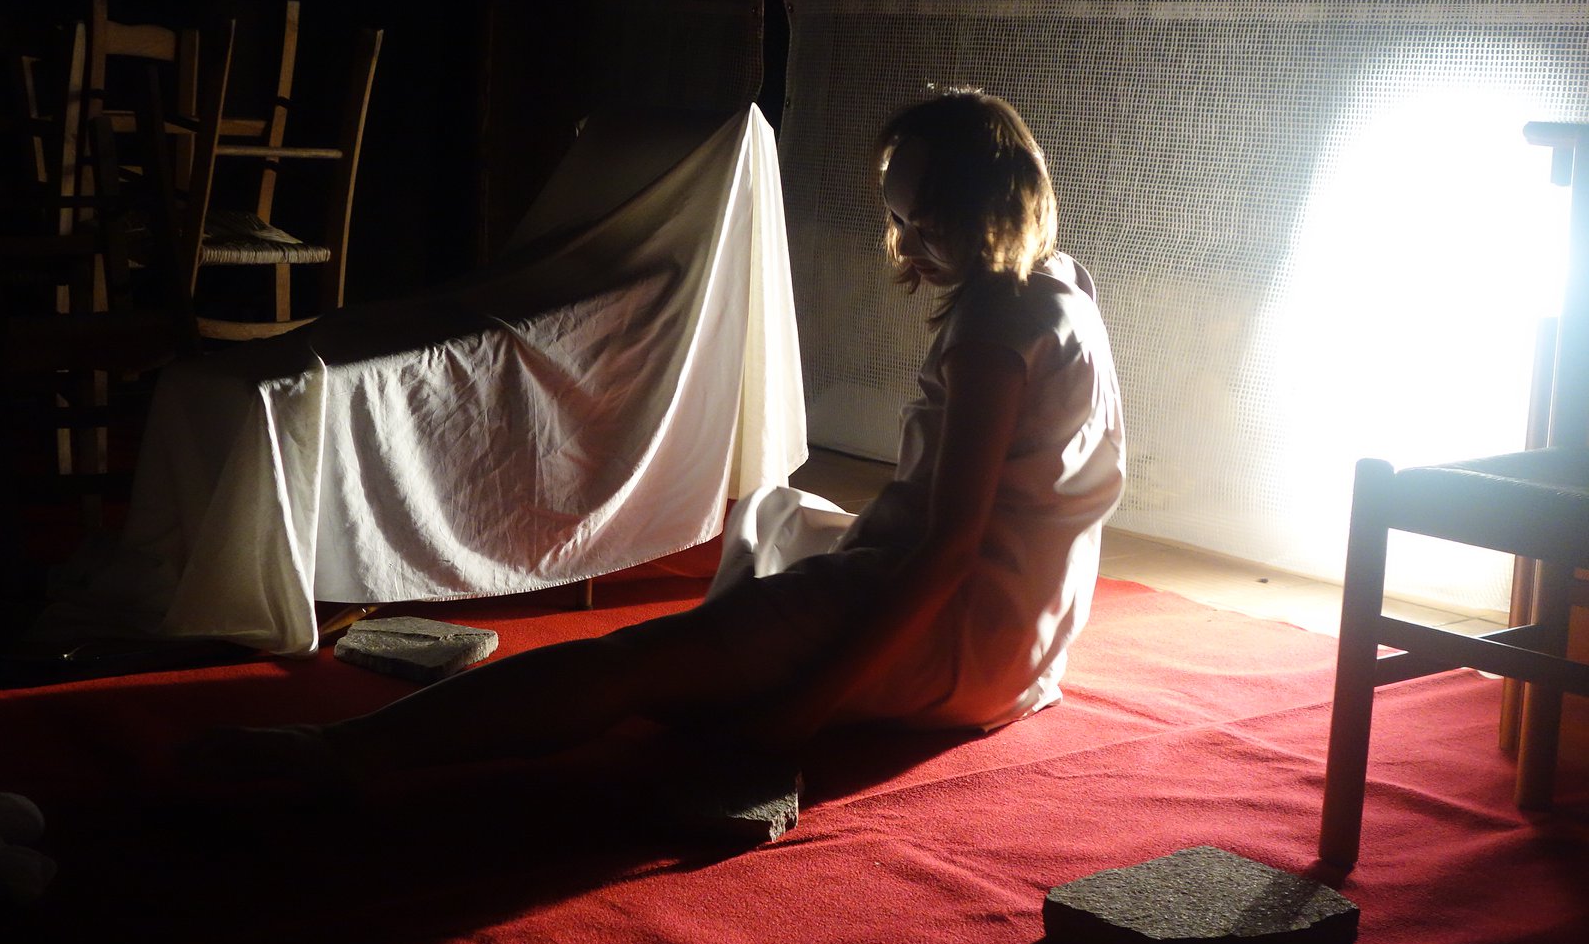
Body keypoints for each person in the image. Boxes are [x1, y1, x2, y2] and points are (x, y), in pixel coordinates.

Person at [186, 88, 1125, 798]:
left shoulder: (991, 332)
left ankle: (337, 752)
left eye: (923, 223)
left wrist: (800, 711)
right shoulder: (1061, 285)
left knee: (630, 664)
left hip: (959, 634)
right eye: (897, 218)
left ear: (981, 212)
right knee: (777, 527)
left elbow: (948, 549)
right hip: (1028, 644)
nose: (905, 244)